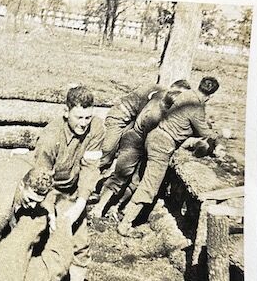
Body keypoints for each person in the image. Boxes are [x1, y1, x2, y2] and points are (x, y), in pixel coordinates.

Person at [118, 76, 220, 236]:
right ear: (211, 96)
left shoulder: (185, 95)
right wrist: (218, 139)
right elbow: (205, 132)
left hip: (154, 136)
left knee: (142, 177)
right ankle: (125, 224)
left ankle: (123, 208)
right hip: (163, 145)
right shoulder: (197, 107)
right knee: (150, 187)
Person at [33, 85, 105, 281]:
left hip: (73, 191)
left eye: (87, 117)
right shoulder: (50, 137)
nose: (84, 123)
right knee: (42, 240)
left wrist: (81, 203)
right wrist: (49, 210)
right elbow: (41, 177)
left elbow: (90, 167)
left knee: (80, 241)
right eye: (79, 117)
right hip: (48, 190)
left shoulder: (96, 128)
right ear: (66, 112)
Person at [92, 79, 191, 218]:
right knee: (121, 174)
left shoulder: (169, 108)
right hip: (136, 141)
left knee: (136, 180)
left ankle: (116, 206)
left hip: (147, 143)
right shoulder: (156, 110)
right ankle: (99, 207)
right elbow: (148, 132)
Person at [99, 82, 162, 171]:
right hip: (118, 116)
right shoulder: (158, 94)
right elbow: (143, 117)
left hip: (131, 119)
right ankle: (95, 169)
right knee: (108, 149)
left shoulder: (161, 94)